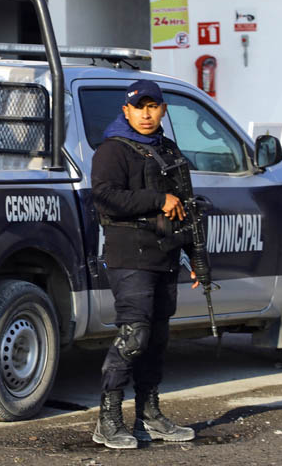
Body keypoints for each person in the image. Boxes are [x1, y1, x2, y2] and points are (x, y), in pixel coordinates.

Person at [90, 79, 207, 449]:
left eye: (152, 106)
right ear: (126, 110)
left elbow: (186, 207)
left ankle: (149, 415)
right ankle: (108, 420)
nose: (145, 113)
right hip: (129, 254)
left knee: (155, 340)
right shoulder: (112, 150)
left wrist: (198, 259)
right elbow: (105, 197)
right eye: (138, 107)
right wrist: (157, 200)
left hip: (166, 254)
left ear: (163, 110)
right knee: (134, 335)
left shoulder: (168, 150)